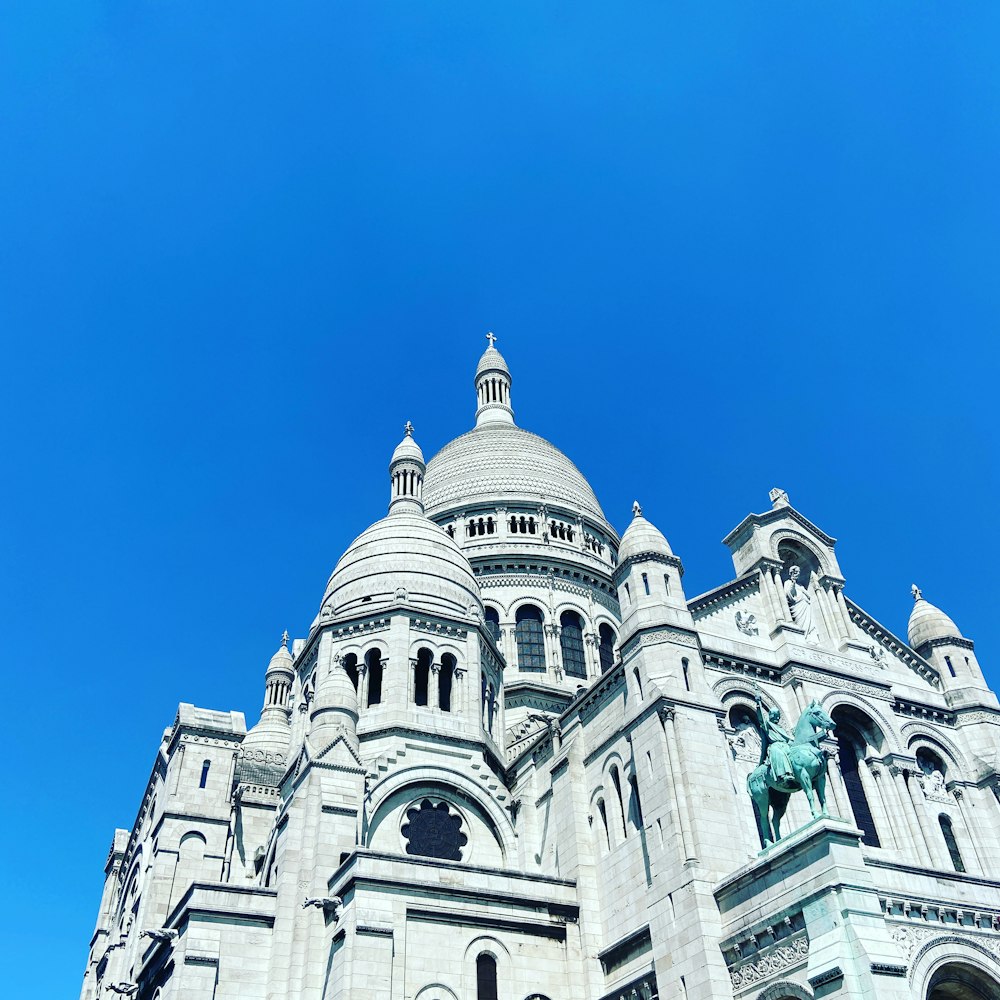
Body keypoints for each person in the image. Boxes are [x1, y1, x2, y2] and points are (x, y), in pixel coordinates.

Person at [756, 693, 795, 783]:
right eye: (775, 715)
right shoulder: (767, 725)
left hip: (785, 745)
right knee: (779, 753)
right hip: (775, 746)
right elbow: (761, 718)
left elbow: (787, 738)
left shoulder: (781, 728)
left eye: (778, 716)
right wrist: (758, 704)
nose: (777, 718)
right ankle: (784, 775)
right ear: (771, 715)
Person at [784, 565, 818, 643]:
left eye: (799, 572)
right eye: (796, 572)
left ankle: (811, 638)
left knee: (809, 623)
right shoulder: (788, 582)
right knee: (801, 623)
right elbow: (788, 594)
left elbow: (809, 596)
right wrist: (793, 583)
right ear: (792, 573)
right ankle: (803, 638)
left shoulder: (801, 586)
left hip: (805, 605)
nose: (798, 574)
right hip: (797, 606)